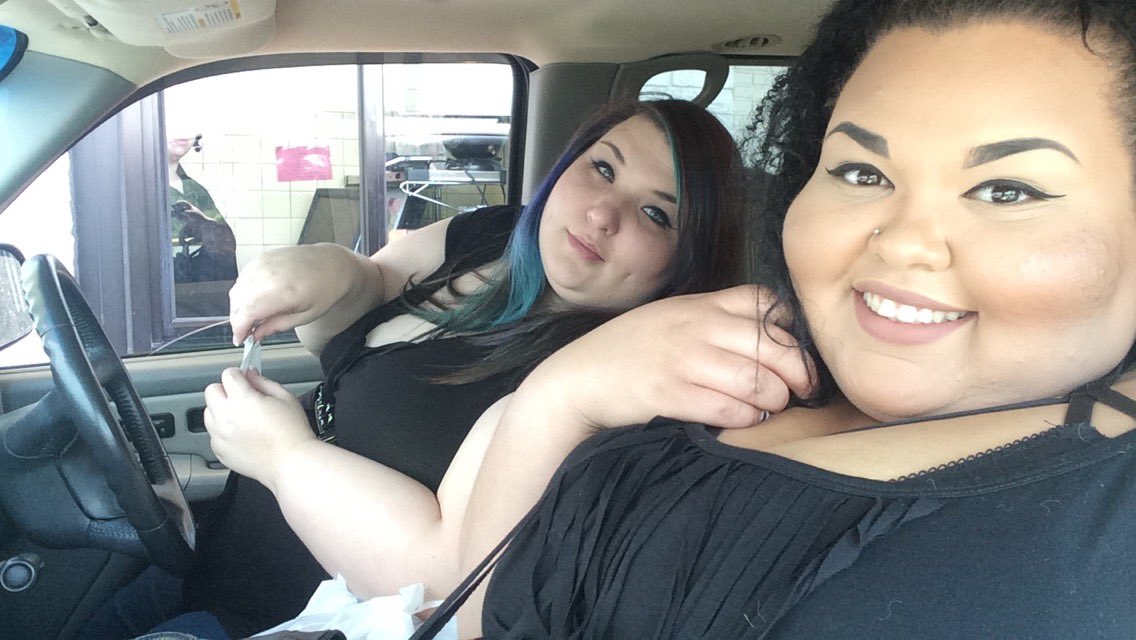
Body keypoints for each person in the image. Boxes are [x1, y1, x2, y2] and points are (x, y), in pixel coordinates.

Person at [392, 0, 1136, 637]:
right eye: (861, 172)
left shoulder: (1094, 541)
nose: (902, 240)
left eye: (1008, 191)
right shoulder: (746, 351)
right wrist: (562, 394)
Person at [93, 98, 766, 640]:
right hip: (206, 564)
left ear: (686, 262)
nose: (601, 213)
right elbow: (374, 285)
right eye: (603, 168)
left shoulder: (599, 386)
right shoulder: (495, 234)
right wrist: (322, 270)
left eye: (655, 213)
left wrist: (281, 457)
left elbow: (445, 579)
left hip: (278, 621)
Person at [167, 135, 238, 284]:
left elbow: (226, 248)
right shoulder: (137, 187)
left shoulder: (194, 189)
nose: (184, 132)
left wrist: (202, 222)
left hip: (202, 289)